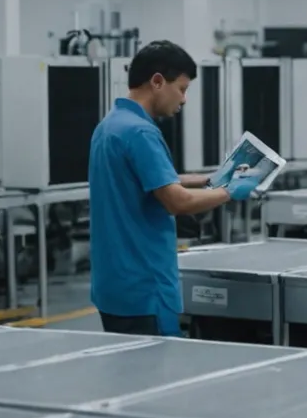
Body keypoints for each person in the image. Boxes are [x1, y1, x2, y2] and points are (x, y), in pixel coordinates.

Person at [89, 41, 262, 336]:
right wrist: (229, 191)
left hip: (114, 284)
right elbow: (175, 201)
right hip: (145, 285)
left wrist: (210, 179)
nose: (183, 99)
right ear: (157, 82)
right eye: (181, 89)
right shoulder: (141, 132)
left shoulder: (111, 125)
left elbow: (148, 179)